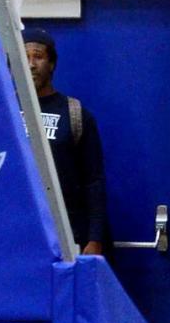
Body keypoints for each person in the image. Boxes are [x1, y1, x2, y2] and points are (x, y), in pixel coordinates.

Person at [23, 27, 108, 256]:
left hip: (69, 231)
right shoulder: (5, 111)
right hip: (20, 231)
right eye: (25, 57)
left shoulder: (75, 113)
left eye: (38, 57)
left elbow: (94, 180)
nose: (31, 64)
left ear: (51, 64)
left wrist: (95, 238)